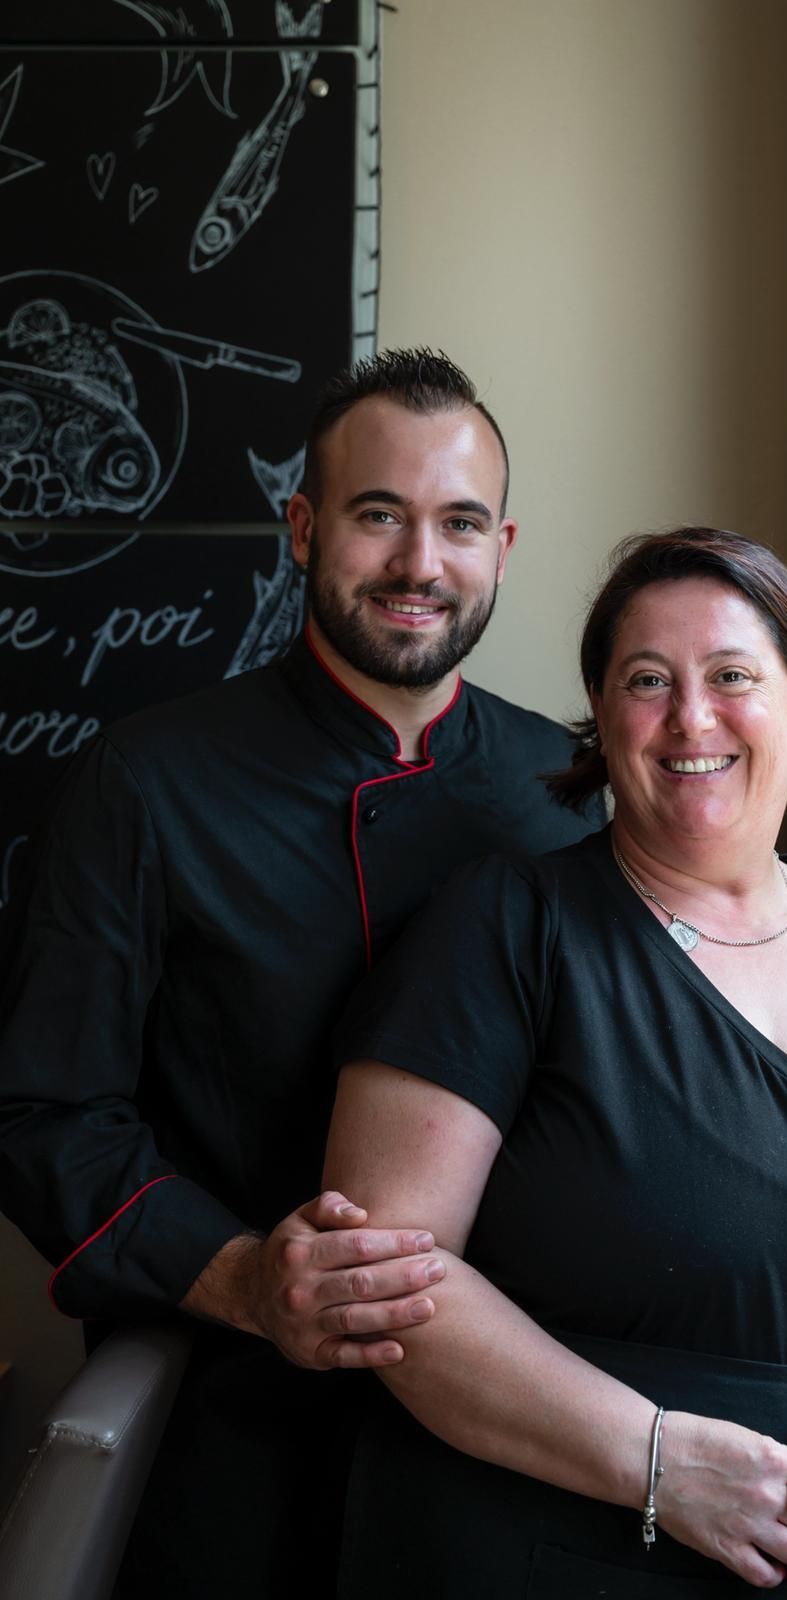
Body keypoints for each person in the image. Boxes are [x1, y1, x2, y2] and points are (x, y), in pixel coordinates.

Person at [326, 526, 787, 1596]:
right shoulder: (507, 929)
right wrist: (658, 1461)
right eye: (644, 680)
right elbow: (384, 1278)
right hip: (555, 1553)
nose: (689, 717)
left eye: (731, 675)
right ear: (601, 719)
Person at [0, 349, 602, 1599]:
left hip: (533, 1417)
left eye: (458, 524)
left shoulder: (568, 796)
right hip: (243, 1413)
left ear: (504, 545)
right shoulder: (146, 783)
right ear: (301, 525)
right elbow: (44, 1115)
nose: (418, 565)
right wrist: (244, 1282)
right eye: (379, 515)